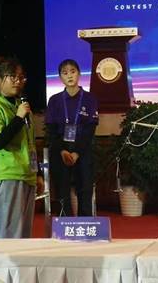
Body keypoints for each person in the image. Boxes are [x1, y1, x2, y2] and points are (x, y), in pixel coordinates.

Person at [0, 57, 43, 238]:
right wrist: (18, 118)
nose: (18, 81)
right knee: (7, 234)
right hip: (8, 176)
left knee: (23, 235)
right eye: (12, 77)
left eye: (21, 77)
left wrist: (38, 173)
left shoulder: (21, 107)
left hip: (28, 176)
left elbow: (30, 143)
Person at [45, 59, 98, 217]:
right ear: (60, 77)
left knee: (85, 191)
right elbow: (51, 130)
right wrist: (62, 150)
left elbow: (90, 129)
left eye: (73, 71)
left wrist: (76, 153)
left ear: (79, 74)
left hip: (82, 150)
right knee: (62, 192)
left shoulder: (90, 99)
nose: (69, 76)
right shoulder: (54, 100)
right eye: (65, 73)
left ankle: (85, 227)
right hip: (61, 150)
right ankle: (65, 227)